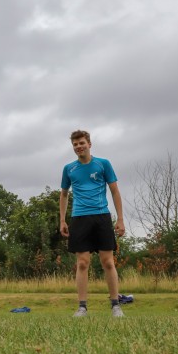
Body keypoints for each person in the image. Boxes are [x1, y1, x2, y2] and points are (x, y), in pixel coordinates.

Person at [59, 130, 126, 318]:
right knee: (82, 263)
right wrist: (62, 220)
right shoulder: (68, 169)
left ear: (89, 144)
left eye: (81, 143)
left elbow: (114, 191)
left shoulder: (103, 164)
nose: (78, 147)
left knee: (108, 262)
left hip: (101, 216)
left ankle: (115, 306)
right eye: (75, 144)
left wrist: (120, 219)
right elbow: (63, 194)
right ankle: (82, 307)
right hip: (79, 218)